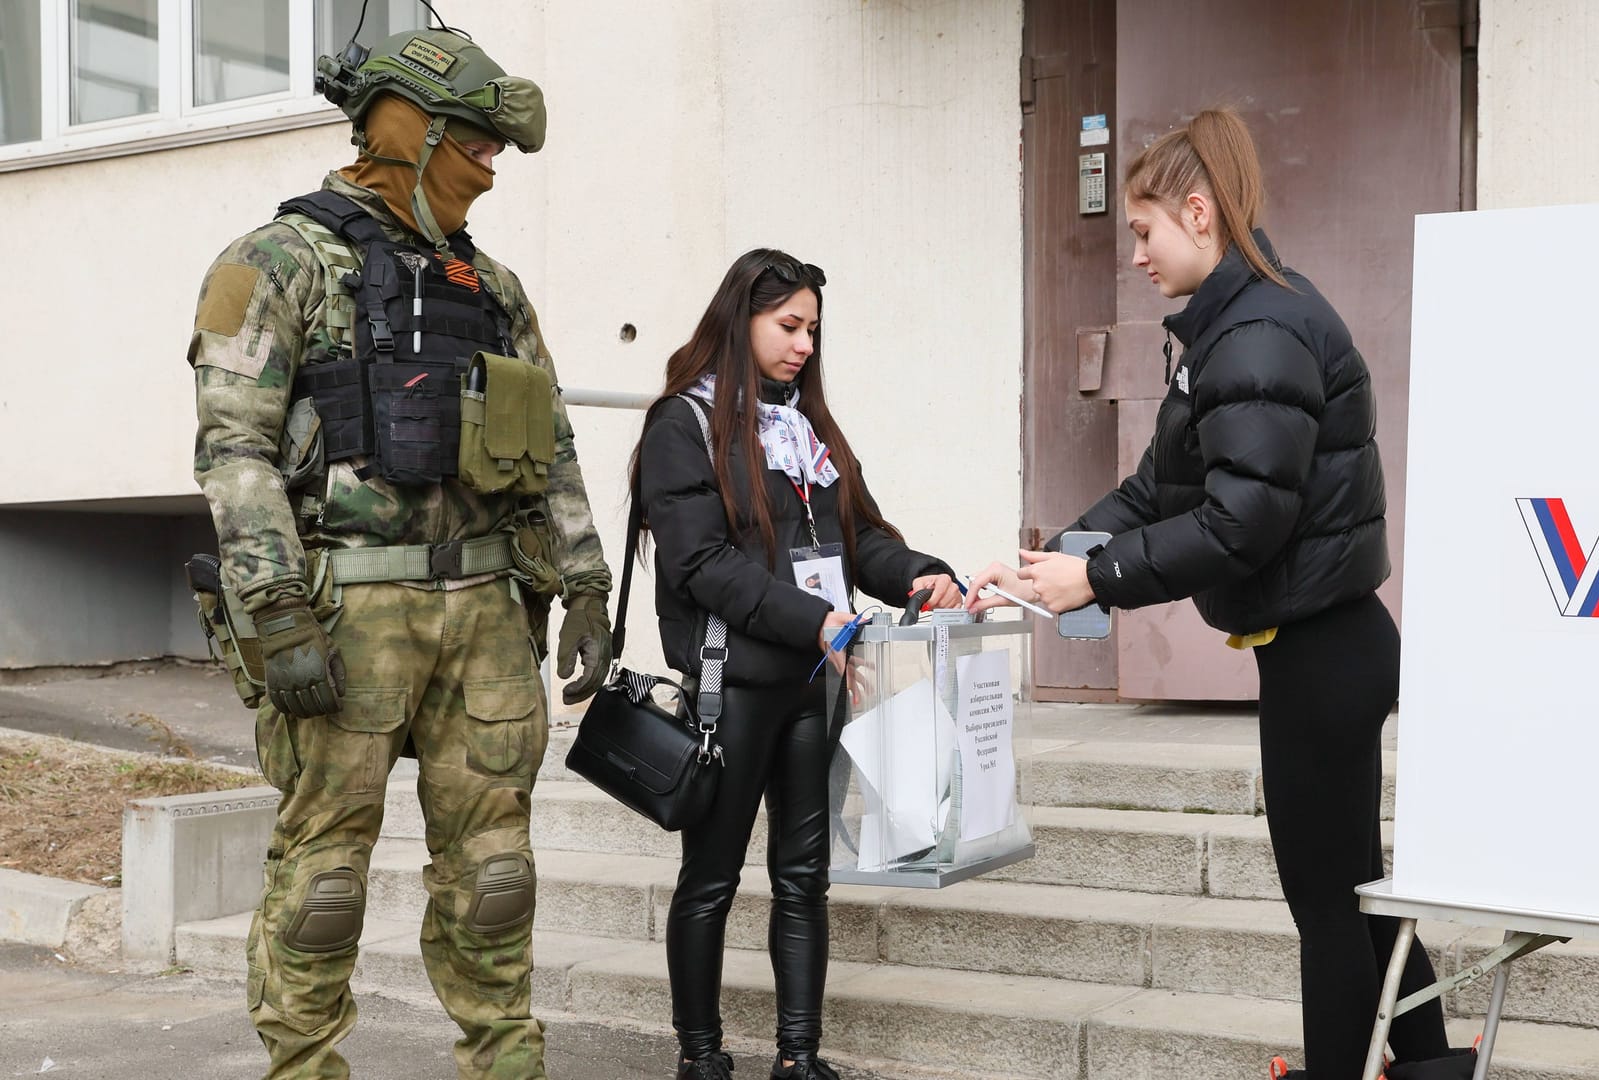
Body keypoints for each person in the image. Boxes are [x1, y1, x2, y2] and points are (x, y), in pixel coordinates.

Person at [968, 109, 1469, 1080]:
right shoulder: (1231, 329)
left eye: (1146, 231)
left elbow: (1245, 525)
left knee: (1326, 906)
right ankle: (1434, 1067)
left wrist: (1099, 577)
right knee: (1357, 895)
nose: (1140, 257)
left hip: (1325, 653)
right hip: (1327, 648)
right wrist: (1052, 565)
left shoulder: (1259, 335)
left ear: (1199, 212)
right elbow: (1163, 489)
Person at [187, 27, 612, 1080]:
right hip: (345, 619)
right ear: (407, 131)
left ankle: (506, 1061)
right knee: (325, 883)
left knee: (496, 872)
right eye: (474, 141)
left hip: (484, 615)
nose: (489, 166)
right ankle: (304, 1068)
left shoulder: (493, 288)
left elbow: (549, 442)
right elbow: (233, 450)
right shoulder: (271, 263)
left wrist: (587, 581)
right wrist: (273, 606)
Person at [633, 250, 961, 1080]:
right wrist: (816, 619)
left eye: (813, 329)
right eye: (789, 326)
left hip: (814, 685)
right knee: (709, 878)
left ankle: (800, 1057)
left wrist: (925, 574)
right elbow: (702, 563)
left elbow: (861, 539)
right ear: (740, 321)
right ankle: (701, 1057)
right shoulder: (684, 423)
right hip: (733, 687)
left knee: (804, 879)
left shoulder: (802, 427)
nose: (805, 344)